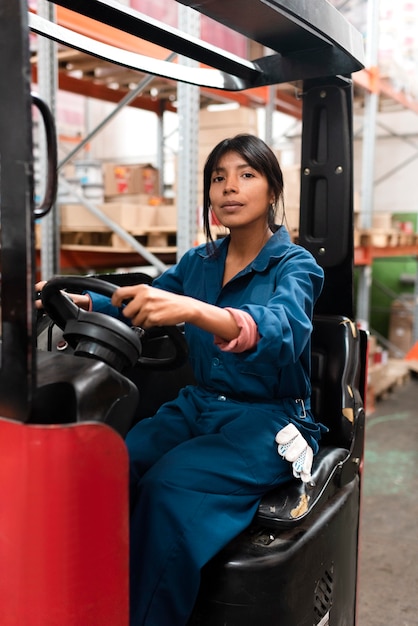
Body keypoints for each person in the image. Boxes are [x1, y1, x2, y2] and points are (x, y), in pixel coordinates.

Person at [37, 134, 325, 626]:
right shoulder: (200, 262)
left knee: (169, 489)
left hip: (270, 420)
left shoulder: (294, 266)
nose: (229, 189)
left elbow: (284, 332)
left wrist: (198, 310)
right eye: (218, 178)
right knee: (110, 463)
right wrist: (84, 303)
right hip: (199, 404)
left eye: (246, 175)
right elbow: (143, 299)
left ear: (273, 190)